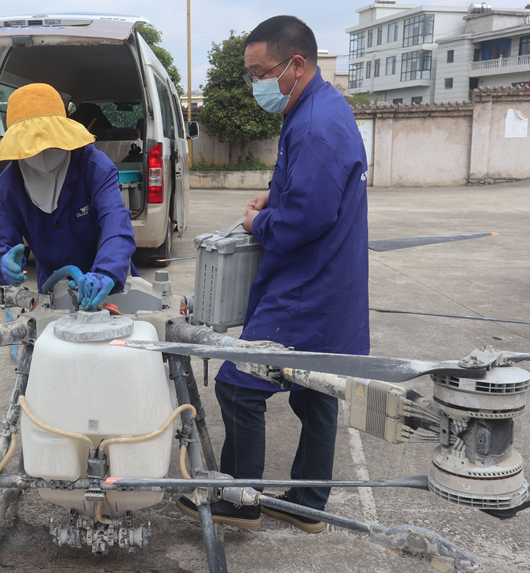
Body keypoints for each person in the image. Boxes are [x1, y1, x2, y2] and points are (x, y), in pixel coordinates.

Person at [176, 16, 370, 532]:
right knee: (316, 390)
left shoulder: (315, 125)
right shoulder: (318, 109)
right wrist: (274, 192)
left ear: (296, 64)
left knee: (240, 384)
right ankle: (309, 503)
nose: (255, 84)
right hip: (333, 281)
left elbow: (306, 218)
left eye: (260, 73)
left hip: (309, 285)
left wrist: (260, 220)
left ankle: (241, 500)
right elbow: (306, 188)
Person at [0, 83, 137, 308]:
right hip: (53, 290)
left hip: (108, 284)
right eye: (32, 144)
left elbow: (116, 222)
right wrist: (0, 263)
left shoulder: (94, 167)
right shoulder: (7, 187)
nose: (42, 150)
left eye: (48, 141)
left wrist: (106, 272)